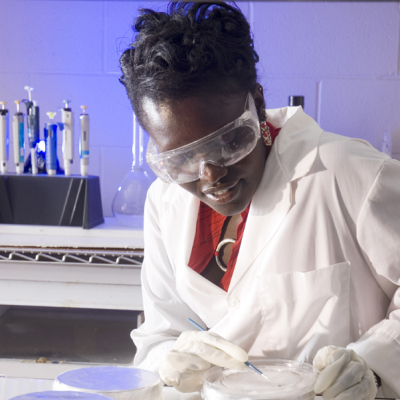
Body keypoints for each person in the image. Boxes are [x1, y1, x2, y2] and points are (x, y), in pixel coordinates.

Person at [118, 2, 400, 398]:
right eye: (182, 158)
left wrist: (374, 364)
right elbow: (161, 331)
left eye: (226, 142)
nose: (210, 175)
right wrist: (169, 359)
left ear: (258, 102)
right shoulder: (164, 201)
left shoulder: (350, 172)